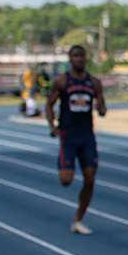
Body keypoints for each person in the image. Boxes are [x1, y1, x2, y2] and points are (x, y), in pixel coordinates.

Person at [45, 45, 106, 235]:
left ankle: (78, 219)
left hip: (87, 136)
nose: (79, 59)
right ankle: (65, 166)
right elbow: (49, 105)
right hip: (68, 136)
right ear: (70, 59)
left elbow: (101, 104)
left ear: (86, 58)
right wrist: (53, 127)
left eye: (82, 56)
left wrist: (102, 109)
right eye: (75, 56)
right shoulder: (62, 81)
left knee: (90, 178)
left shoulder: (94, 83)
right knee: (66, 180)